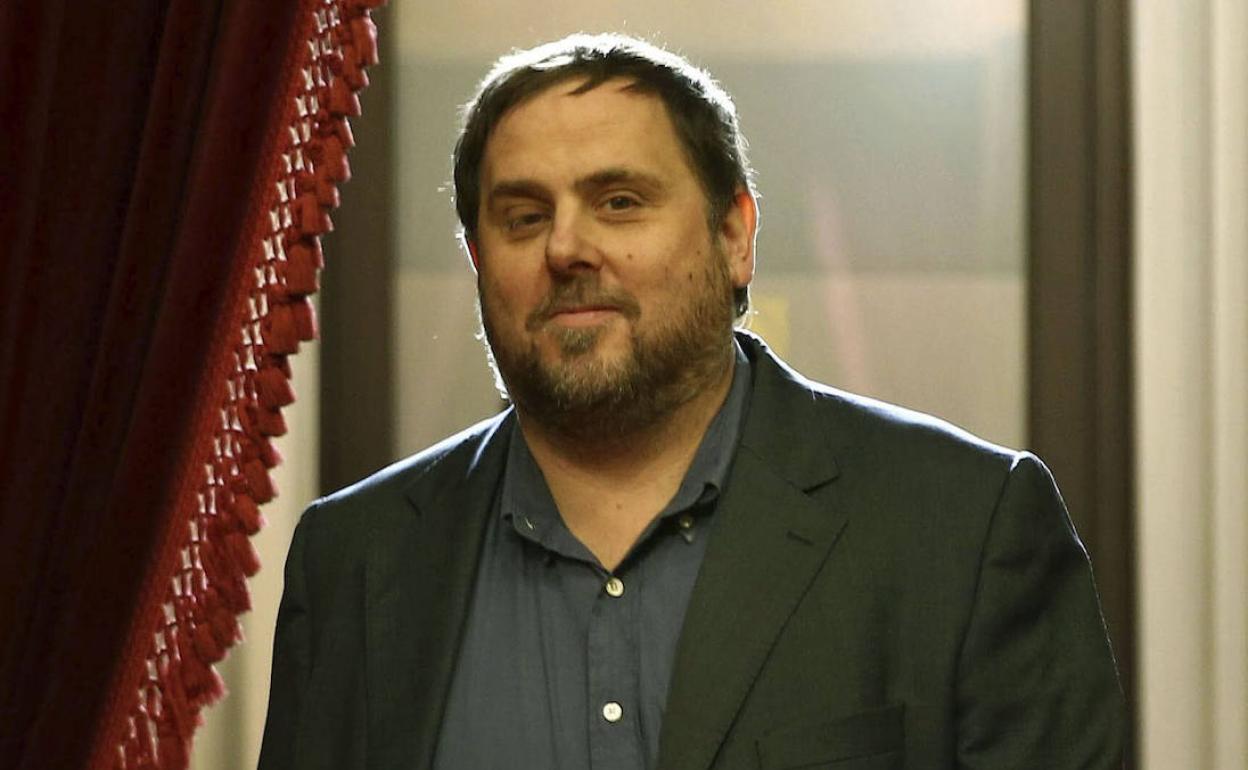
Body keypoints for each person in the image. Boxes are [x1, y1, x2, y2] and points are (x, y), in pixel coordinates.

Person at [257, 33, 1126, 770]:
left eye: (619, 202)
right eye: (523, 216)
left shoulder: (964, 530)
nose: (566, 247)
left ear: (735, 235)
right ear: (480, 262)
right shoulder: (355, 560)